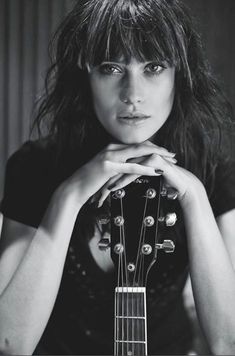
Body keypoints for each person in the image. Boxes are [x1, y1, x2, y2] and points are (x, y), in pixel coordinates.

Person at [0, 0, 235, 354]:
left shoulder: (213, 164)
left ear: (180, 76)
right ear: (86, 76)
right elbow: (9, 343)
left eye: (154, 66)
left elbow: (228, 342)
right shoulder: (36, 167)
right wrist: (69, 196)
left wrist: (195, 197)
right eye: (111, 68)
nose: (133, 95)